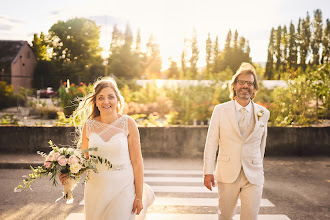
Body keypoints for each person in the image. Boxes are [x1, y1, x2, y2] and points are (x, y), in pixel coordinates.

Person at [59, 77, 154, 220]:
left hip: (124, 187)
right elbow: (84, 162)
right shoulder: (89, 125)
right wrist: (68, 173)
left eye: (111, 97)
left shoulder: (128, 123)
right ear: (96, 102)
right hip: (96, 189)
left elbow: (137, 162)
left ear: (117, 99)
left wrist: (139, 197)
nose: (106, 102)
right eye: (101, 98)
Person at [203, 63, 270, 220]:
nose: (245, 86)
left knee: (250, 217)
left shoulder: (263, 113)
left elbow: (262, 144)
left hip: (253, 175)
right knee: (225, 216)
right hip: (227, 172)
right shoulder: (220, 110)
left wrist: (259, 167)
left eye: (250, 83)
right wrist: (208, 171)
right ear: (234, 85)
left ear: (254, 88)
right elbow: (211, 142)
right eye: (241, 82)